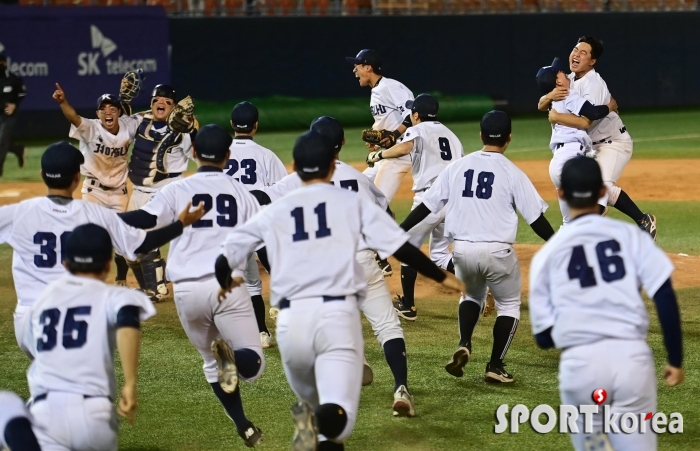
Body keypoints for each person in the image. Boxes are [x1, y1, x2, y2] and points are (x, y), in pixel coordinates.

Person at [215, 130, 464, 450]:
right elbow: (401, 248)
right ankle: (329, 417)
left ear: (296, 167)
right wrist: (441, 277)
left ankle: (311, 414)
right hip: (336, 321)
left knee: (316, 404)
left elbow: (227, 256)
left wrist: (224, 283)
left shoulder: (277, 207)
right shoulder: (350, 202)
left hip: (292, 328)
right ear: (333, 165)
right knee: (336, 424)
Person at [255, 116, 417, 417]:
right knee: (387, 326)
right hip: (363, 260)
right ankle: (401, 388)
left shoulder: (301, 177)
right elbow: (386, 216)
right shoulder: (359, 178)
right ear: (342, 143)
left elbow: (263, 196)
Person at [119, 124, 266, 447]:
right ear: (228, 157)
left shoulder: (176, 190)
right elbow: (263, 242)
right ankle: (234, 356)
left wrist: (103, 220)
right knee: (252, 365)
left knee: (212, 366)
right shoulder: (242, 193)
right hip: (228, 286)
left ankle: (243, 424)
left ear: (194, 153)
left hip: (186, 291)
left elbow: (143, 221)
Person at [529, 156, 684, 451]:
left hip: (581, 367)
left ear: (561, 193)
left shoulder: (548, 255)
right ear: (602, 190)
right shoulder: (630, 236)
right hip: (632, 362)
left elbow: (544, 337)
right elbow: (664, 294)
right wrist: (675, 359)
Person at [0, 141, 204, 357]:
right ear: (77, 178)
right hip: (74, 320)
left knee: (46, 378)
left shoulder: (19, 213)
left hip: (27, 321)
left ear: (42, 174)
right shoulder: (93, 214)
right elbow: (142, 243)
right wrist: (179, 225)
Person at [401, 111, 555, 383]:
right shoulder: (512, 172)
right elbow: (536, 220)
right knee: (508, 304)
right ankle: (495, 365)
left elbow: (427, 205)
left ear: (481, 135)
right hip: (497, 252)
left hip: (461, 251)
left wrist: (400, 229)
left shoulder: (457, 167)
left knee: (471, 296)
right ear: (509, 139)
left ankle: (464, 343)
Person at [26, 223, 156, 451]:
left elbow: (34, 346)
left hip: (44, 412)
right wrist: (130, 383)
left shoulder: (43, 298)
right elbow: (128, 318)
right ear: (108, 265)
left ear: (65, 263)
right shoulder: (113, 295)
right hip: (93, 415)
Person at [538, 36, 657, 240]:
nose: (576, 54)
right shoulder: (568, 78)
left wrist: (557, 116)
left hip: (612, 143)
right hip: (588, 147)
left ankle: (643, 220)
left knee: (600, 187)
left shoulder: (594, 84)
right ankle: (581, 232)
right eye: (575, 49)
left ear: (592, 61)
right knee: (589, 188)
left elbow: (586, 122)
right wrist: (549, 97)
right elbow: (541, 103)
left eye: (583, 52)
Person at [367, 93, 463, 321]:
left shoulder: (418, 129)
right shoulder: (453, 136)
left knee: (407, 247)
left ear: (416, 115)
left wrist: (378, 155)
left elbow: (403, 148)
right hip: (453, 202)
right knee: (440, 254)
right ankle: (476, 285)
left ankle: (408, 305)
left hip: (428, 200)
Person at [53, 84, 143, 285]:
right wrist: (62, 102)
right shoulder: (91, 127)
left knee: (122, 239)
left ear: (119, 112)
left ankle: (121, 279)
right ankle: (83, 277)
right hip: (93, 191)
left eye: (112, 109)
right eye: (103, 109)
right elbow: (73, 117)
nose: (107, 113)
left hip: (119, 193)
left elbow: (147, 116)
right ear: (97, 113)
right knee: (90, 236)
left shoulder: (129, 125)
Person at [346, 48, 419, 276]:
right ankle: (382, 254)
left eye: (357, 65)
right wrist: (379, 140)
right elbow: (389, 123)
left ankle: (379, 256)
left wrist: (394, 134)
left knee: (372, 204)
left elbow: (414, 113)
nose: (354, 70)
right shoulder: (376, 91)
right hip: (388, 154)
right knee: (359, 188)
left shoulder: (390, 87)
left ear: (368, 67)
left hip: (402, 154)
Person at [126, 84, 197, 301]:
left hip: (166, 191)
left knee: (145, 240)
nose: (161, 104)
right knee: (126, 247)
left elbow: (200, 155)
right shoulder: (140, 121)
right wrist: (122, 102)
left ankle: (156, 289)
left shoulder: (182, 130)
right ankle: (151, 283)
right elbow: (116, 129)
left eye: (168, 102)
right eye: (158, 99)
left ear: (175, 108)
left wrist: (194, 130)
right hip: (138, 192)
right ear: (151, 102)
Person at [227, 100, 288, 349]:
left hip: (231, 226)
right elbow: (283, 192)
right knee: (280, 272)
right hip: (261, 225)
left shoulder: (221, 153)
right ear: (255, 126)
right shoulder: (266, 155)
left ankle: (258, 332)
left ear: (232, 125)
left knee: (245, 281)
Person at [535, 57, 618, 225]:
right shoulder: (568, 94)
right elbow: (593, 113)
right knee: (600, 190)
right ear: (558, 82)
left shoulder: (553, 98)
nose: (564, 72)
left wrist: (549, 95)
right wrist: (610, 106)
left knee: (568, 222)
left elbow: (540, 105)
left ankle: (562, 249)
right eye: (560, 73)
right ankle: (595, 214)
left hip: (557, 163)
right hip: (570, 159)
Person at [0, 53, 26, 177]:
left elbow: (22, 92)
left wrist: (14, 104)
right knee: (2, 141)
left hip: (8, 114)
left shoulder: (13, 79)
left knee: (1, 139)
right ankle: (17, 149)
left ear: (4, 63)